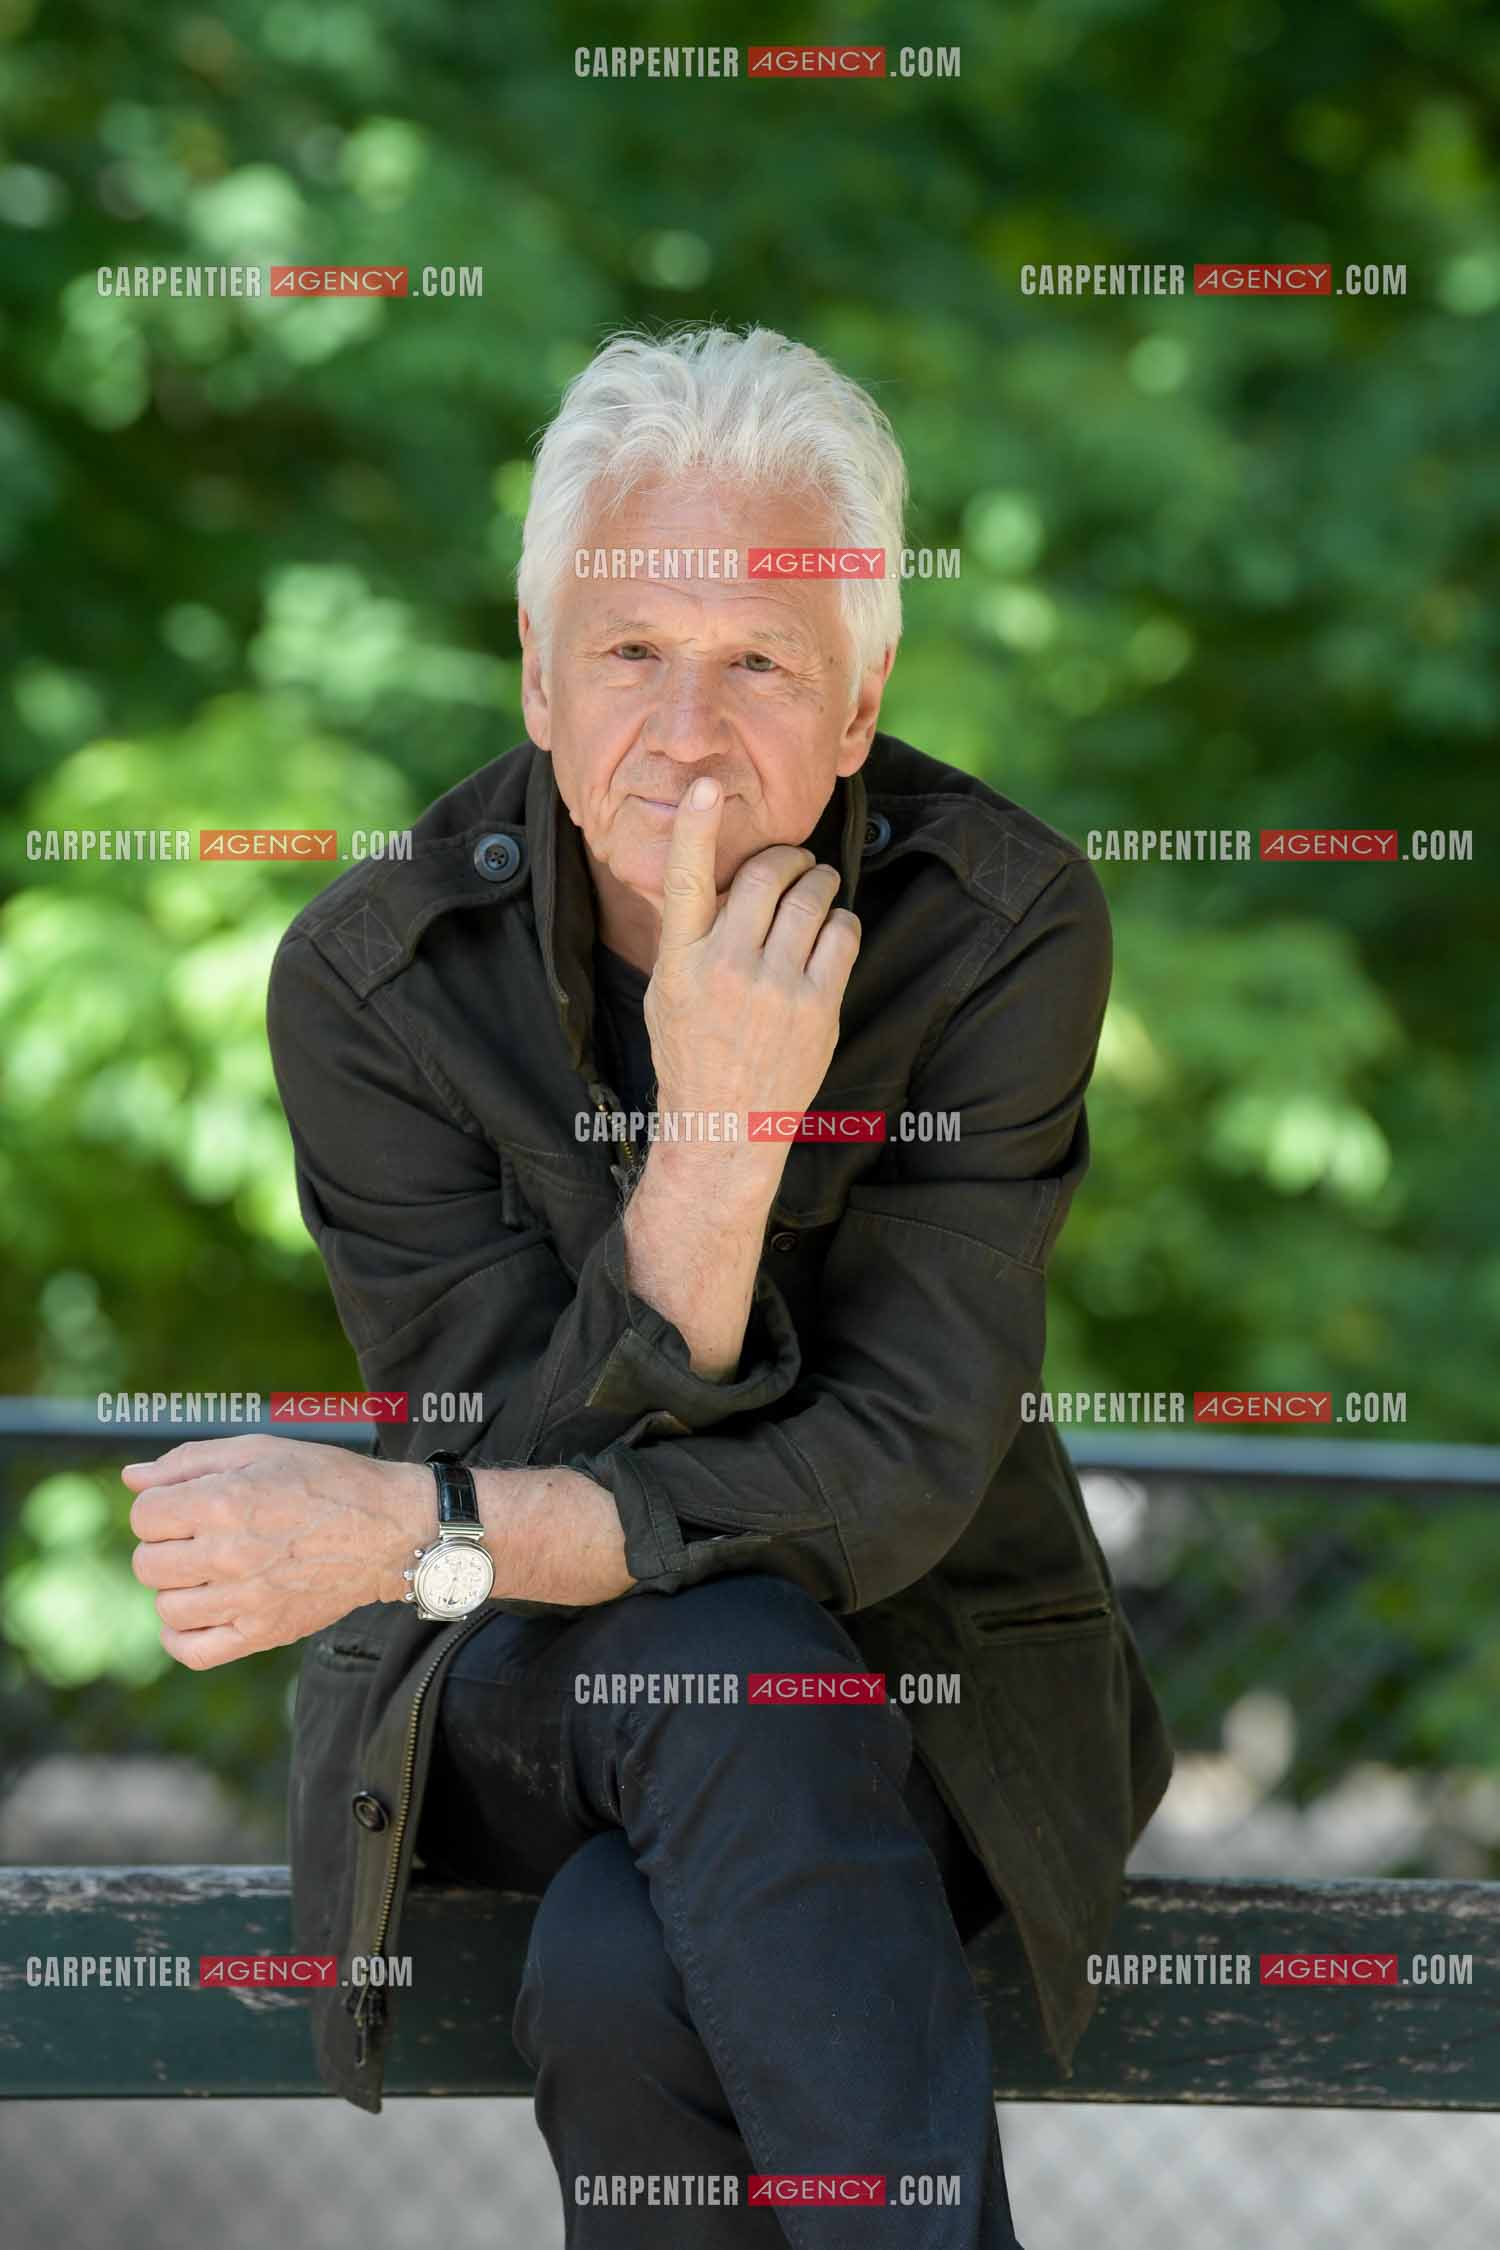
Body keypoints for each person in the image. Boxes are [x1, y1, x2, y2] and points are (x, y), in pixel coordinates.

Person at [125, 324, 1174, 2247]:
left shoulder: (999, 926)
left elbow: (893, 1480)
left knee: (623, 1961)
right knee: (723, 1662)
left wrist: (411, 1526)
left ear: (861, 703)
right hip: (526, 1696)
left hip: (918, 1695)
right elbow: (510, 1438)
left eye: (762, 659)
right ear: (537, 671)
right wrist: (714, 1146)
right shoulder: (373, 981)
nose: (686, 730)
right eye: (629, 652)